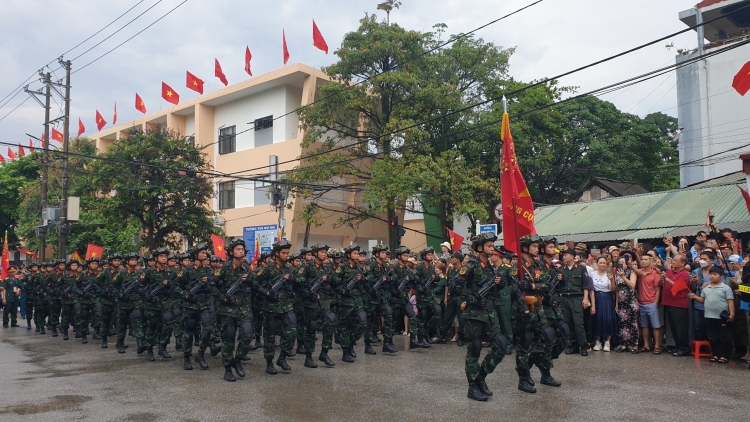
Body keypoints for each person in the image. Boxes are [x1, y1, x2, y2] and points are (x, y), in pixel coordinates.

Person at [459, 234, 507, 401]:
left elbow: (495, 291)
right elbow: (455, 285)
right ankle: (472, 387)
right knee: (475, 348)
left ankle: (480, 377)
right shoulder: (471, 266)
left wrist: (499, 285)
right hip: (474, 314)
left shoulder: (491, 268)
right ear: (479, 248)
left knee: (501, 345)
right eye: (488, 245)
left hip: (489, 312)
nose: (492, 248)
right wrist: (472, 299)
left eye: (492, 245)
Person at [254, 240, 297, 374]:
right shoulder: (267, 269)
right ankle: (269, 363)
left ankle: (282, 358)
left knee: (292, 332)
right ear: (276, 253)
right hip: (271, 307)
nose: (286, 255)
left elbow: (298, 282)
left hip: (287, 306)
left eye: (287, 253)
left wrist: (293, 283)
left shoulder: (290, 269)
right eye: (283, 253)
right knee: (270, 336)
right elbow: (254, 283)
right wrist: (266, 292)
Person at [690, 266, 735, 363]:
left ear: (721, 276)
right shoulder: (706, 288)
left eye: (715, 274)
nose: (712, 276)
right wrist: (695, 297)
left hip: (722, 317)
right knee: (712, 336)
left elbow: (730, 302)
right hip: (709, 316)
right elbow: (703, 300)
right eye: (711, 274)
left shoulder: (726, 288)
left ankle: (725, 355)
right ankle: (715, 354)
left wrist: (732, 314)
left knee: (724, 336)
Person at [559, 248, 590, 356]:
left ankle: (584, 346)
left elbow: (586, 285)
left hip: (576, 298)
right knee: (568, 323)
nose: (564, 257)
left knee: (578, 323)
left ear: (572, 257)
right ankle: (574, 345)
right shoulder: (562, 269)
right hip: (565, 298)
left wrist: (585, 299)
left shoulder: (581, 269)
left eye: (566, 255)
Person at [661, 255, 691, 356]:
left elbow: (677, 287)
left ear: (682, 263)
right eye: (672, 260)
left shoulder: (685, 274)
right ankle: (678, 346)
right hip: (668, 302)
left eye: (675, 260)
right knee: (673, 327)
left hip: (679, 304)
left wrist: (666, 279)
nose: (672, 262)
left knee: (680, 328)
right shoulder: (670, 272)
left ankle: (684, 348)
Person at [634, 255, 663, 354]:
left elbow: (657, 290)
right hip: (641, 302)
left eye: (645, 259)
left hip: (651, 303)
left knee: (656, 326)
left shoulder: (655, 273)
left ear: (650, 261)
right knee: (644, 326)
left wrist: (655, 303)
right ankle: (646, 345)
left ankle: (657, 345)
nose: (643, 261)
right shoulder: (639, 272)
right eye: (642, 259)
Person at [590, 257, 617, 352]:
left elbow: (613, 289)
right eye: (600, 263)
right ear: (597, 264)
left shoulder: (609, 274)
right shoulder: (592, 274)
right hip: (596, 297)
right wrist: (593, 304)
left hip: (607, 297)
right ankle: (598, 341)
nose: (602, 264)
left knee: (608, 318)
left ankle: (607, 342)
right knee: (597, 318)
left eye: (604, 263)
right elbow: (591, 289)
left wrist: (612, 280)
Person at [614, 256, 638, 353]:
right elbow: (617, 290)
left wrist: (623, 276)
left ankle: (635, 344)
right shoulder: (616, 274)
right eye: (620, 262)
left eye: (623, 262)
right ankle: (624, 344)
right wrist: (616, 304)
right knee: (623, 323)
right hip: (621, 301)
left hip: (631, 300)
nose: (622, 264)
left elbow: (632, 285)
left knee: (632, 323)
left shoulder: (631, 272)